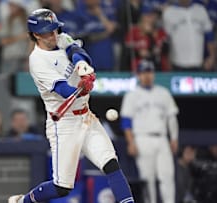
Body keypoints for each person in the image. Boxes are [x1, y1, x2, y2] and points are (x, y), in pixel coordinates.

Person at [8, 9, 135, 203]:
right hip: (64, 124)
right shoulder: (37, 61)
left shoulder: (60, 37)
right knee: (62, 187)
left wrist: (82, 66)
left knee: (111, 164)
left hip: (86, 117)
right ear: (35, 35)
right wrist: (83, 87)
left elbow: (75, 50)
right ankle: (23, 201)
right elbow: (64, 90)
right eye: (47, 32)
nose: (53, 35)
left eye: (54, 30)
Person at [120, 60, 179, 203]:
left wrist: (174, 138)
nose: (147, 75)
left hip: (162, 138)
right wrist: (131, 142)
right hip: (142, 138)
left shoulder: (163, 93)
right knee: (148, 178)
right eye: (144, 72)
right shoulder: (132, 95)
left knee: (167, 175)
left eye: (149, 72)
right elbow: (126, 121)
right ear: (138, 75)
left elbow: (172, 118)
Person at [163, 0, 216, 71]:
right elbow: (166, 39)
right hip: (177, 63)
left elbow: (209, 35)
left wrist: (212, 56)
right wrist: (167, 61)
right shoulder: (169, 12)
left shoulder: (200, 10)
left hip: (198, 62)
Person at [0, 0, 29, 74]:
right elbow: (2, 42)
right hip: (9, 57)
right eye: (10, 5)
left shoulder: (28, 21)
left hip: (23, 58)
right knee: (7, 84)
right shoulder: (6, 20)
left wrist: (29, 58)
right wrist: (20, 37)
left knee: (22, 83)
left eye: (12, 5)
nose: (10, 8)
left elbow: (31, 40)